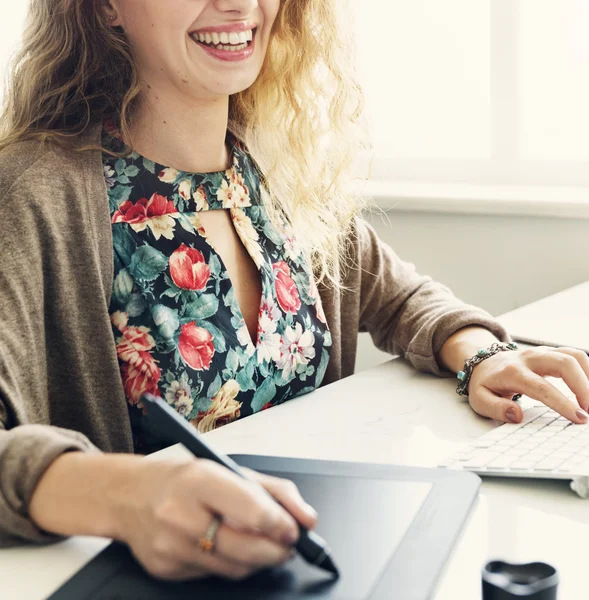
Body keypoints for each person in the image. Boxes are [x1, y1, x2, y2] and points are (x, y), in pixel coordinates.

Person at [1, 0, 589, 583]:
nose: (236, 4)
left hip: (315, 561)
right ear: (105, 7)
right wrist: (126, 496)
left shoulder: (275, 167)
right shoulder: (34, 194)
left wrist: (480, 352)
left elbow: (399, 295)